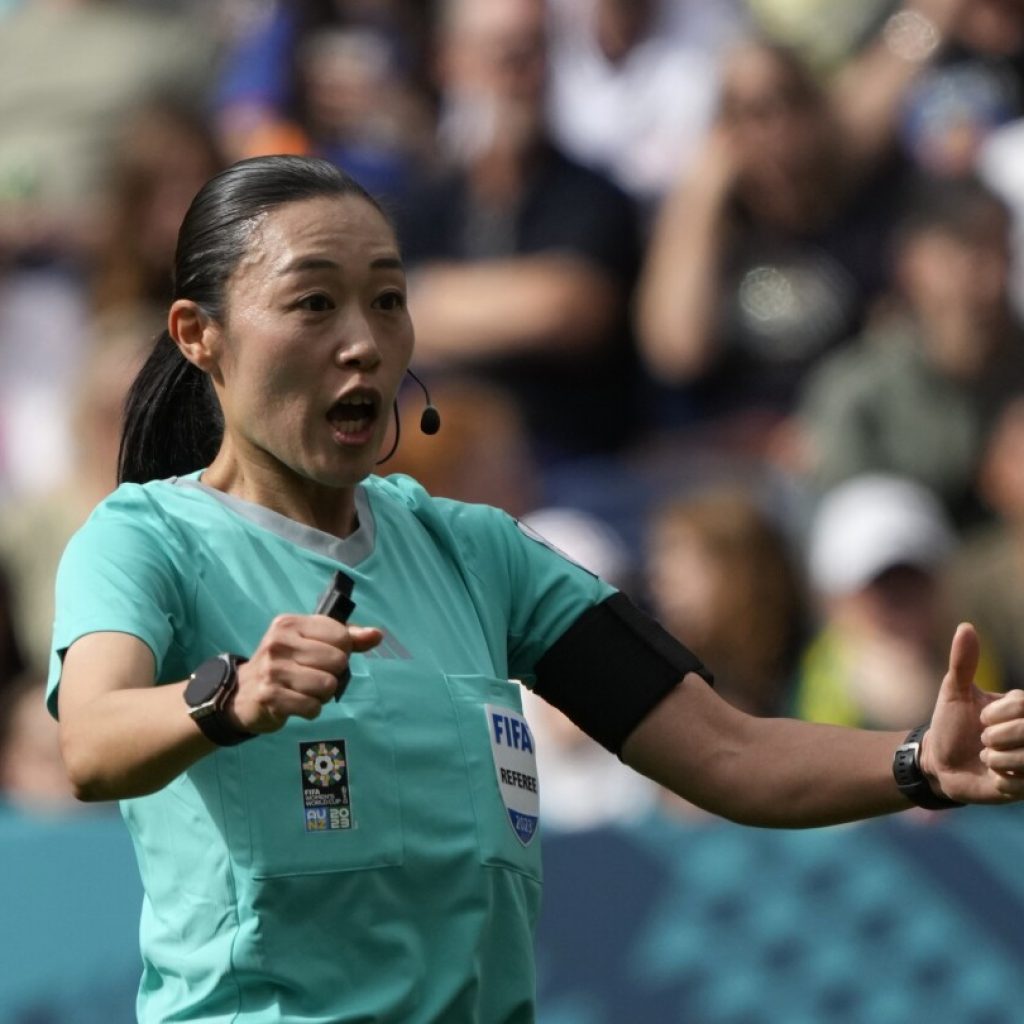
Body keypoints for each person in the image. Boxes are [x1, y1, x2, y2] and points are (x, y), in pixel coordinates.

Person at [49, 154, 1024, 1024]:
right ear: (199, 334)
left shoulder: (482, 554)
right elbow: (91, 744)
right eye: (313, 303)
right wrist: (230, 696)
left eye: (387, 301)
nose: (363, 341)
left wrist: (917, 765)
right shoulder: (146, 539)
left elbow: (729, 751)